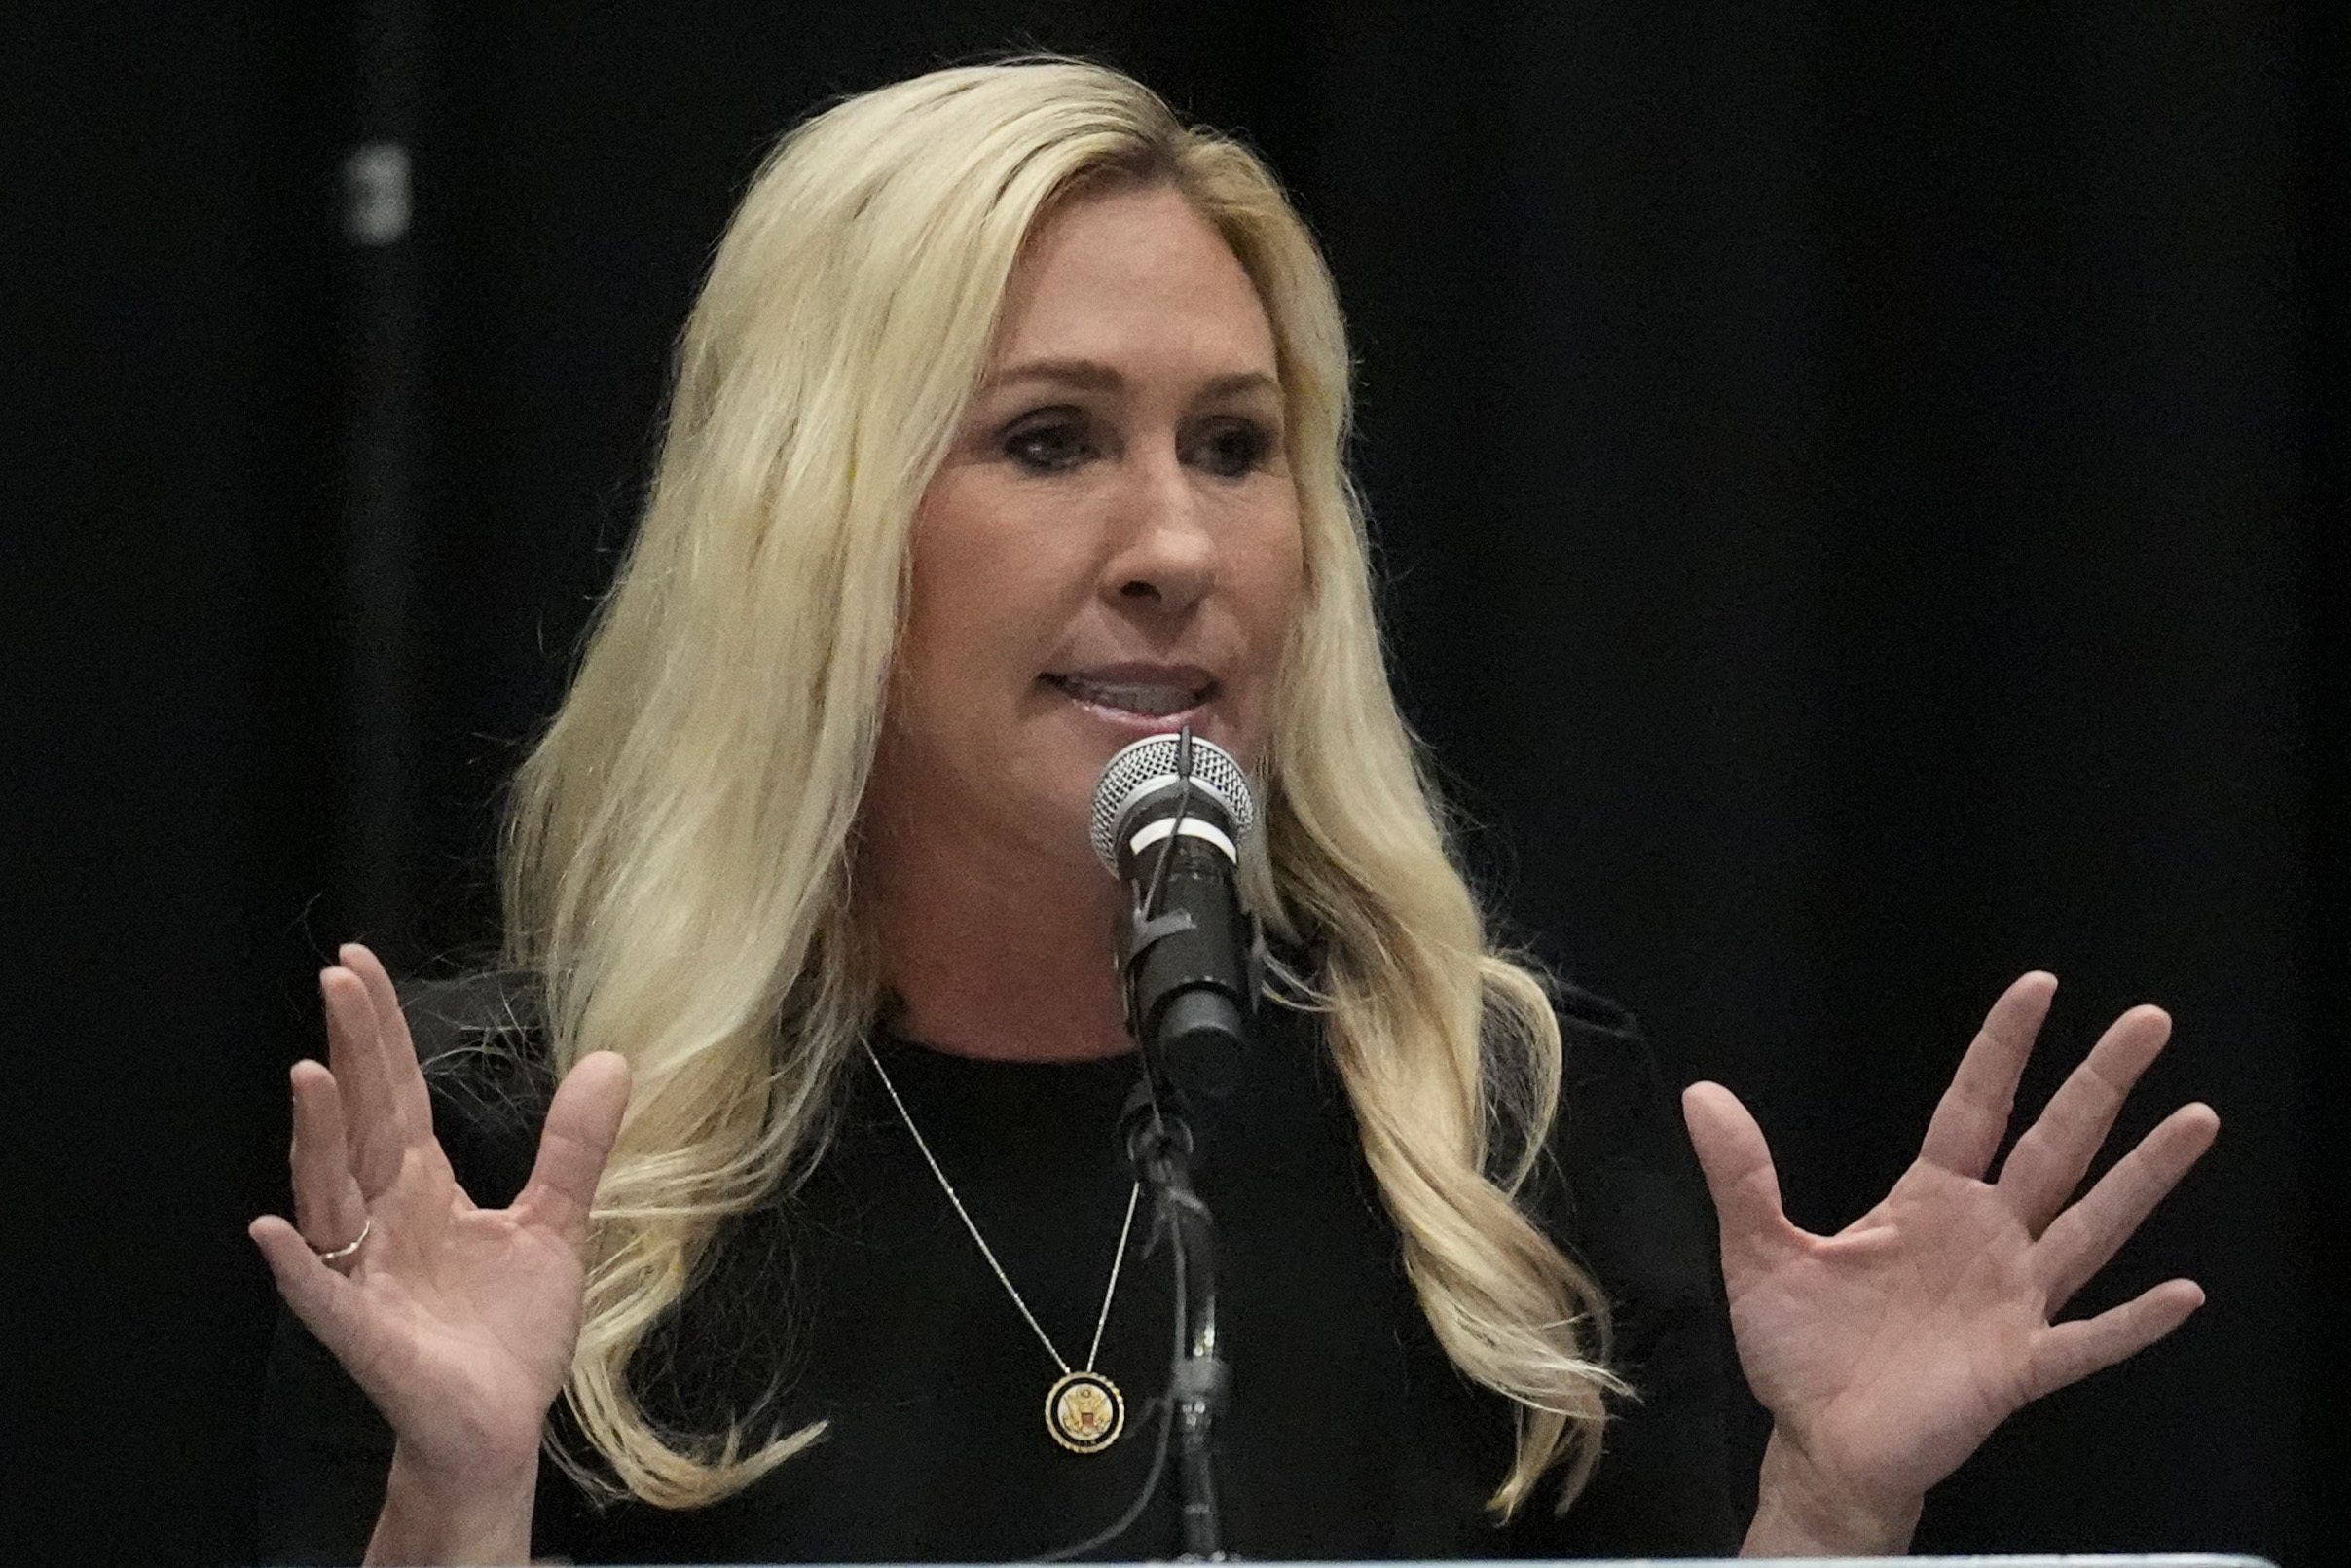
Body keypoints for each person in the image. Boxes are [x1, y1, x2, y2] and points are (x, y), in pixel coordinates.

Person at [249, 58, 2221, 1566]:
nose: (1177, 546)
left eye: (1233, 444)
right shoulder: (509, 1164)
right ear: (814, 525)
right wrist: (462, 1497)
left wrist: (1826, 1520)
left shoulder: (1505, 1140)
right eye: (1050, 441)